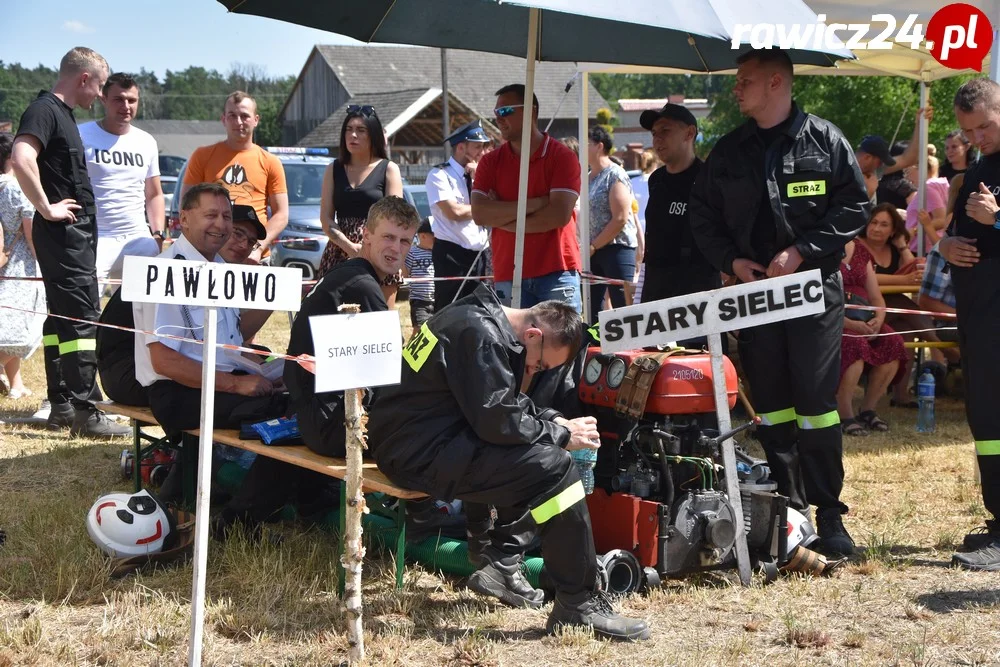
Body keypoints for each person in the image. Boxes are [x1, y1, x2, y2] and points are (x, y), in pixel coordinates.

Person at [367, 285, 650, 641]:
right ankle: (576, 603)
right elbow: (497, 420)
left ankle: (501, 557)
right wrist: (562, 435)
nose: (535, 369)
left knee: (539, 456)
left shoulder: (472, 318)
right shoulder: (482, 336)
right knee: (555, 468)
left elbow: (500, 398)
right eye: (541, 363)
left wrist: (552, 420)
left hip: (413, 441)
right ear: (533, 335)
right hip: (417, 453)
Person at [689, 49, 870, 558]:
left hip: (812, 289)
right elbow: (702, 216)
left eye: (744, 81)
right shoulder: (728, 151)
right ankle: (791, 512)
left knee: (815, 403)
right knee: (770, 403)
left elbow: (855, 205)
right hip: (756, 295)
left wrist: (803, 251)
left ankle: (829, 513)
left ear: (775, 83)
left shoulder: (825, 140)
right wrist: (733, 261)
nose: (736, 89)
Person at [216, 196, 423, 534]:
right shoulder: (361, 285)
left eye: (404, 240)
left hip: (315, 413)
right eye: (388, 237)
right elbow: (393, 376)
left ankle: (312, 500)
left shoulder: (350, 275)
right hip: (331, 426)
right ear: (366, 237)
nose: (395, 248)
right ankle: (426, 516)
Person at [11, 46, 128, 438]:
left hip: (72, 236)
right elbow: (22, 155)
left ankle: (61, 404)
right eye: (98, 86)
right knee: (81, 318)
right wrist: (45, 208)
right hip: (64, 234)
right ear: (83, 79)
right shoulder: (45, 110)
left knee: (61, 316)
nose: (99, 96)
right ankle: (87, 409)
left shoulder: (62, 115)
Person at [133, 183, 284, 435]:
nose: (220, 225)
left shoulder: (220, 270)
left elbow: (228, 347)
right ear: (184, 219)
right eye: (210, 215)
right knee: (280, 410)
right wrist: (236, 384)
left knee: (293, 395)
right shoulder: (166, 271)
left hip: (217, 382)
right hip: (180, 393)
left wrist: (265, 375)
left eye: (226, 217)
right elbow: (165, 362)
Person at [97, 204, 269, 407]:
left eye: (251, 242)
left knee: (259, 360)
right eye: (238, 234)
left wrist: (271, 297)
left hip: (154, 364)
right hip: (129, 372)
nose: (243, 245)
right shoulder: (182, 267)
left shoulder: (218, 271)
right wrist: (238, 379)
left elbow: (229, 337)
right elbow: (167, 359)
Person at [936, 78, 1000, 570]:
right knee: (986, 417)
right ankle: (998, 519)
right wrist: (945, 247)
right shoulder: (976, 172)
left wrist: (998, 221)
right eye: (967, 130)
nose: (975, 138)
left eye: (983, 126)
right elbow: (953, 236)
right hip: (978, 317)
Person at [471, 84, 582, 311]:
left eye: (505, 111)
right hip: (507, 272)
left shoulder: (563, 157)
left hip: (558, 271)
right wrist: (538, 203)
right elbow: (479, 214)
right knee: (514, 346)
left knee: (562, 345)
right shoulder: (490, 162)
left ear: (531, 111)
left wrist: (501, 216)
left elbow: (558, 216)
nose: (499, 119)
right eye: (496, 113)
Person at [180, 91, 288, 264]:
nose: (239, 122)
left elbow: (281, 214)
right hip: (211, 255)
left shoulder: (271, 162)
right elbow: (187, 206)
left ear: (256, 120)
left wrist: (257, 248)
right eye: (232, 115)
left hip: (253, 255)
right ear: (223, 119)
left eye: (245, 116)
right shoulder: (202, 156)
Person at [79, 72, 164, 280]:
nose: (125, 105)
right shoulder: (80, 135)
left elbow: (154, 194)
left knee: (139, 313)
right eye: (118, 99)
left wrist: (158, 235)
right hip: (95, 239)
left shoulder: (146, 141)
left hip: (138, 240)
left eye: (131, 100)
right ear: (103, 99)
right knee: (86, 311)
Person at [638, 102, 720, 310]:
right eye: (654, 133)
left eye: (665, 130)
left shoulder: (708, 179)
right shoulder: (656, 180)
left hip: (696, 291)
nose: (657, 138)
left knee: (696, 345)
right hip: (656, 288)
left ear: (689, 133)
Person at [317, 106, 403, 286]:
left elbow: (396, 220)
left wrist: (369, 250)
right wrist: (350, 248)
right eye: (349, 129)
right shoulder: (333, 169)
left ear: (373, 135)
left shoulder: (389, 169)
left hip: (380, 252)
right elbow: (326, 219)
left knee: (380, 313)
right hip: (338, 251)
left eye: (360, 130)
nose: (353, 135)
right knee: (333, 313)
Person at [836, 241, 909, 436]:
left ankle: (868, 409)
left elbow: (876, 297)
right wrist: (849, 324)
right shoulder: (821, 247)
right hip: (833, 320)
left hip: (864, 318)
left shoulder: (861, 250)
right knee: (855, 343)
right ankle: (844, 414)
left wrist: (878, 320)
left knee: (892, 341)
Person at [426, 120, 491, 308]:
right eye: (477, 147)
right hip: (452, 253)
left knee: (479, 310)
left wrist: (479, 180)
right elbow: (453, 212)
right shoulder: (439, 175)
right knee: (450, 309)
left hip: (479, 253)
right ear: (461, 147)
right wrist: (485, 208)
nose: (482, 152)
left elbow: (496, 203)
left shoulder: (480, 174)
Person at [0, 132, 44, 399]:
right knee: (23, 330)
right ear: (11, 158)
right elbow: (31, 234)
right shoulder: (17, 188)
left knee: (7, 324)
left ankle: (16, 383)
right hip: (18, 268)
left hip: (2, 264)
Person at [585, 126, 638, 315]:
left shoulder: (615, 174)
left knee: (622, 308)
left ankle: (630, 345)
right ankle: (595, 343)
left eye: (586, 143)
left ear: (599, 146)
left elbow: (621, 218)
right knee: (592, 310)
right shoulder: (587, 178)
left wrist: (593, 246)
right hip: (593, 252)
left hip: (617, 249)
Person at [903, 154, 950, 254]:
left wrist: (914, 230)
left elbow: (942, 219)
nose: (906, 177)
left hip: (924, 249)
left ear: (920, 169)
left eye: (908, 171)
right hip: (929, 247)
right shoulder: (940, 186)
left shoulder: (928, 188)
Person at [404, 219, 435, 329]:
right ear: (422, 236)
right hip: (419, 301)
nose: (437, 238)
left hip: (436, 299)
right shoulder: (412, 252)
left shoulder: (438, 253)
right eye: (434, 235)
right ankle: (412, 346)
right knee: (419, 331)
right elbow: (405, 273)